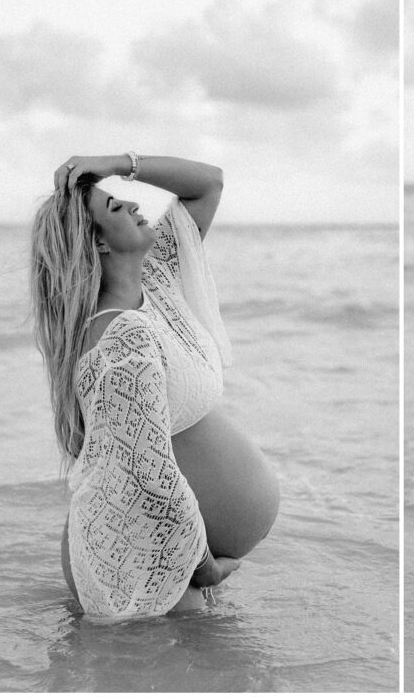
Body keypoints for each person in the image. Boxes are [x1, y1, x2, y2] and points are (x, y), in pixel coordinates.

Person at [30, 153, 280, 618]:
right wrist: (203, 566)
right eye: (114, 209)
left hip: (167, 552)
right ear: (99, 245)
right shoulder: (119, 335)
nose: (132, 204)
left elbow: (208, 183)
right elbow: (151, 477)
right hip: (148, 557)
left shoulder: (158, 278)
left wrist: (114, 163)